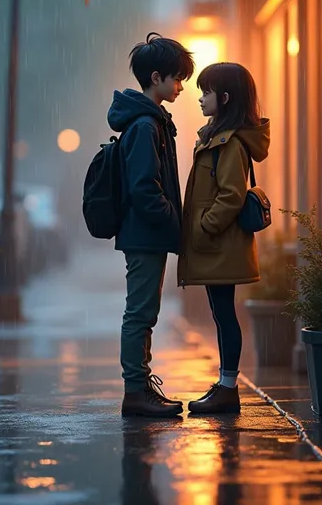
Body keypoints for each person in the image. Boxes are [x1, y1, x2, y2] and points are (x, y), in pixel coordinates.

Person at [107, 32, 194, 417]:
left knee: (144, 312)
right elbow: (145, 188)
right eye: (176, 78)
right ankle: (136, 392)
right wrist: (169, 219)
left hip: (146, 234)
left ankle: (140, 388)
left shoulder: (149, 121)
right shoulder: (145, 125)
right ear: (156, 76)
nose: (180, 87)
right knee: (140, 312)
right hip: (145, 235)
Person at [178, 62, 270, 414]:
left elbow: (231, 195)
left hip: (220, 245)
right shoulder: (216, 138)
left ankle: (228, 387)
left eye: (207, 92)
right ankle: (224, 383)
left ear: (226, 97)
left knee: (225, 314)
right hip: (217, 245)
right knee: (221, 313)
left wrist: (205, 227)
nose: (200, 99)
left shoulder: (228, 144)